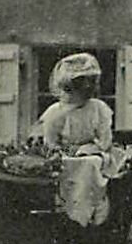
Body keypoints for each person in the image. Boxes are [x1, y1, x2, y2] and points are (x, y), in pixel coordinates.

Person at [36, 52, 124, 226]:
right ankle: (75, 216)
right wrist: (71, 152)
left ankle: (98, 216)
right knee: (81, 166)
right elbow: (49, 144)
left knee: (95, 163)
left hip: (95, 154)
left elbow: (105, 140)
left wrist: (92, 149)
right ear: (71, 84)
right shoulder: (55, 112)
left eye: (92, 81)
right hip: (65, 158)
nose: (90, 86)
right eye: (85, 81)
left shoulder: (99, 108)